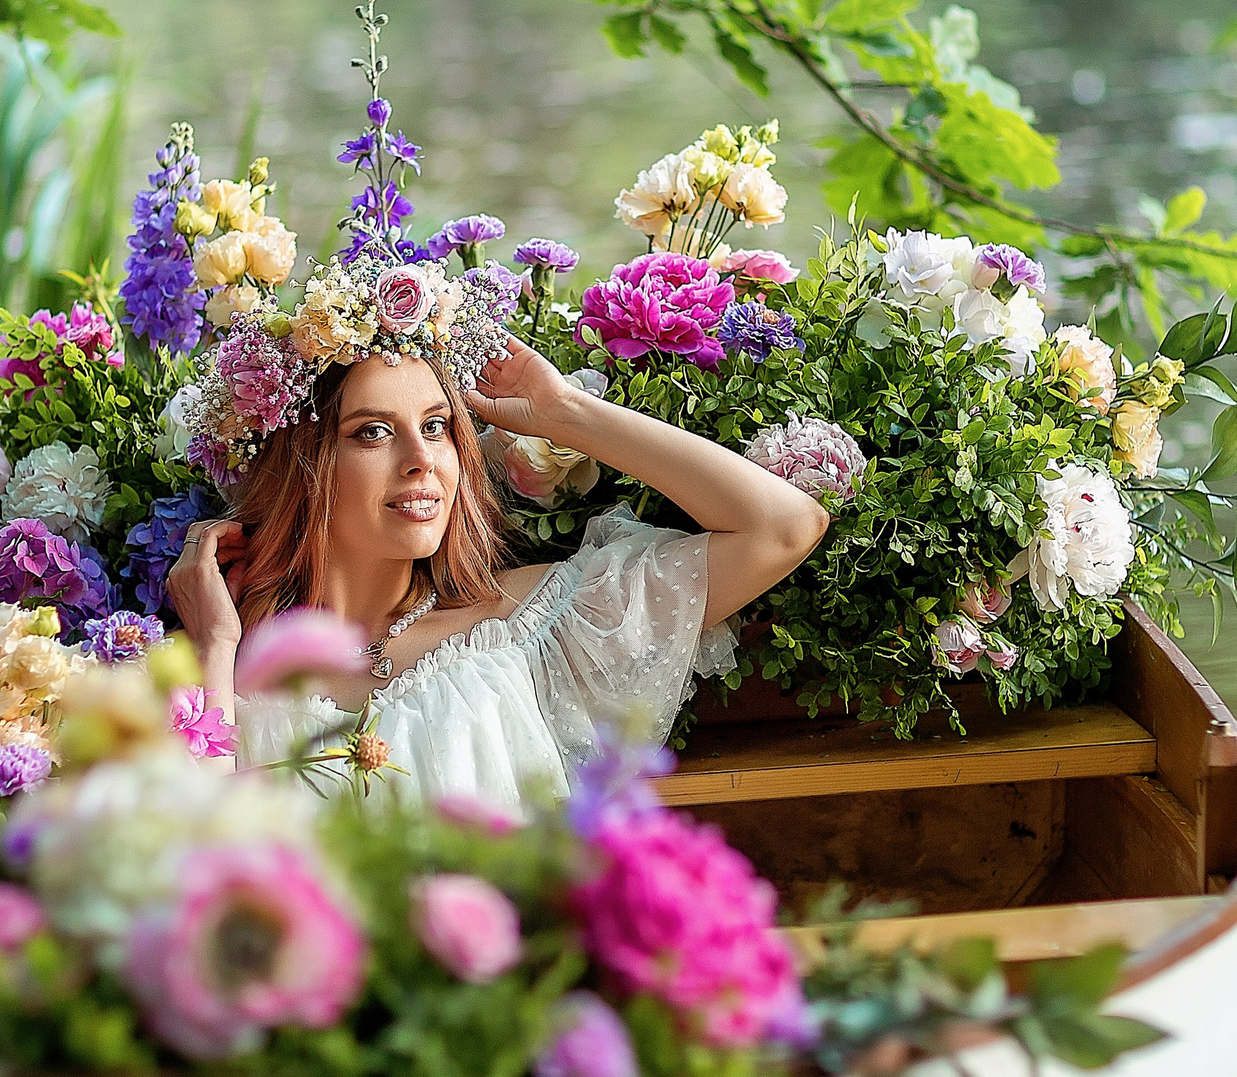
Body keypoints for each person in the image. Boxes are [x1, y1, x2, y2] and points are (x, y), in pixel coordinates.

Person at [168, 333, 828, 810]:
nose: (421, 458)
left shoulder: (535, 630)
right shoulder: (229, 671)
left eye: (436, 426)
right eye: (372, 432)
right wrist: (214, 647)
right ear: (304, 465)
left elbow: (782, 527)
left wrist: (564, 412)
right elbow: (197, 872)